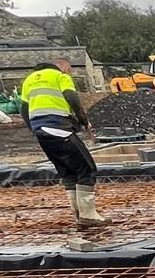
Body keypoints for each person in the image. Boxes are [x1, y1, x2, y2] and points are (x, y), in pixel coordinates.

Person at [18, 57, 105, 227]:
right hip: (59, 129)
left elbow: (23, 109)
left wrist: (34, 129)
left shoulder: (29, 80)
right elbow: (71, 97)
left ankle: (79, 216)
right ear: (64, 68)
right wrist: (83, 120)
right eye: (69, 72)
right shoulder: (60, 76)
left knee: (69, 173)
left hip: (42, 133)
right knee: (87, 169)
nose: (69, 74)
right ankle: (88, 215)